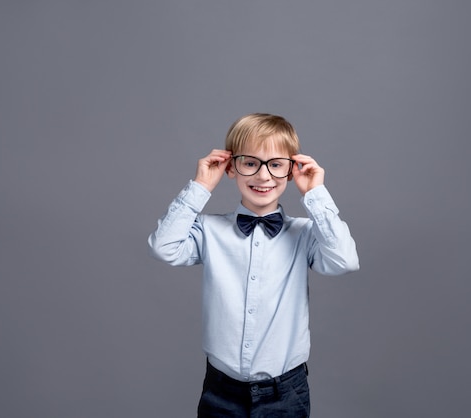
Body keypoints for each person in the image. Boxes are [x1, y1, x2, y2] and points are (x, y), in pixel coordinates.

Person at [148, 113, 359, 417]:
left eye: (275, 164)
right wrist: (200, 186)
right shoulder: (208, 230)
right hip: (221, 390)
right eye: (250, 163)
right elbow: (163, 247)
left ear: (291, 170)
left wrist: (315, 194)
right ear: (231, 166)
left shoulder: (305, 233)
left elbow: (345, 260)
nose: (263, 176)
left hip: (286, 393)